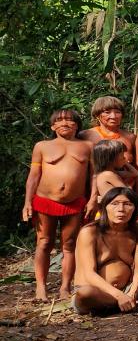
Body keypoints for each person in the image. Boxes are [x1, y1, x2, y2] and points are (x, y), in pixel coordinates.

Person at [72, 188, 138, 315]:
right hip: (97, 292)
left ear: (135, 208)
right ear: (104, 208)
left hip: (128, 289)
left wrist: (132, 292)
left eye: (127, 204)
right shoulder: (90, 232)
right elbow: (89, 274)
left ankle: (129, 302)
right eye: (114, 204)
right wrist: (119, 296)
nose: (121, 209)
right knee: (86, 293)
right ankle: (135, 303)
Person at [23, 109, 91, 300]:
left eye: (69, 120)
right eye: (59, 121)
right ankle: (41, 287)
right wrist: (27, 202)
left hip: (75, 203)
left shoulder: (87, 146)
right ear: (52, 126)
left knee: (69, 245)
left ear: (77, 125)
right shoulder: (42, 146)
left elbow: (93, 175)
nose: (64, 123)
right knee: (44, 242)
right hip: (45, 201)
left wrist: (93, 198)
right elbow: (33, 176)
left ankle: (65, 288)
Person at [79, 96, 138, 188]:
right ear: (97, 115)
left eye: (117, 112)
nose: (113, 116)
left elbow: (136, 167)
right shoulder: (85, 135)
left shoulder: (130, 137)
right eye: (107, 112)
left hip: (126, 190)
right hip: (95, 189)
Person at [90, 140, 129, 217]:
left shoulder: (111, 173)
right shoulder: (108, 175)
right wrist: (129, 186)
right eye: (122, 156)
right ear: (112, 159)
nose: (125, 158)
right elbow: (127, 192)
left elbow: (135, 173)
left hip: (111, 210)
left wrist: (125, 162)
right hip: (111, 212)